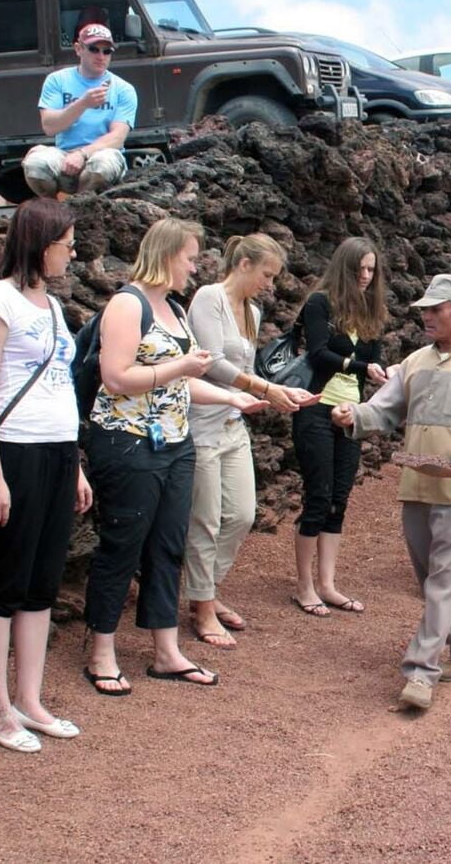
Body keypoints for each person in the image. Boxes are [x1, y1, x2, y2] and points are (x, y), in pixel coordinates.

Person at [81, 218, 269, 695]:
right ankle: (101, 649)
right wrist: (180, 366)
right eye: (188, 257)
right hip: (128, 442)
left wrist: (232, 398)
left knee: (168, 546)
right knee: (123, 545)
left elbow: (181, 383)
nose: (194, 265)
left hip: (175, 443)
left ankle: (166, 651)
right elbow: (116, 378)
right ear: (166, 255)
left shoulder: (177, 310)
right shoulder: (128, 303)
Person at [331, 274, 451, 712]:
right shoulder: (415, 362)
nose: (426, 316)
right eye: (424, 309)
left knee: (442, 579)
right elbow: (384, 410)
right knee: (432, 579)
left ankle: (421, 671)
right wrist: (354, 415)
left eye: (436, 309)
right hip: (417, 482)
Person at [0, 198, 90, 754]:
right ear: (42, 243)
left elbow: (58, 384)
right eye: (67, 242)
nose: (73, 251)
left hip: (58, 450)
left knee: (41, 580)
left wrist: (78, 465)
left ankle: (30, 698)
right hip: (14, 453)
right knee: (5, 579)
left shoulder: (50, 304)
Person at [188, 234, 314, 641]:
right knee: (206, 520)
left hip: (232, 423)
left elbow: (248, 368)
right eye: (265, 274)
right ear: (242, 263)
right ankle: (203, 605)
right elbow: (212, 362)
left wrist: (280, 389)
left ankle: (204, 588)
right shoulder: (209, 297)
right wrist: (263, 391)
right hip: (202, 422)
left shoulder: (253, 312)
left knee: (241, 515)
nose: (269, 284)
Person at [290, 237, 389, 617]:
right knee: (318, 495)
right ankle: (304, 585)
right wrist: (363, 367)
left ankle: (327, 583)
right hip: (316, 406)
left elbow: (374, 358)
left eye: (370, 269)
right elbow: (318, 354)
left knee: (339, 498)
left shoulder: (370, 309)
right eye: (359, 269)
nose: (365, 276)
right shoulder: (320, 303)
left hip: (352, 411)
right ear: (344, 268)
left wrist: (381, 374)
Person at [23, 23, 137, 198]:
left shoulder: (124, 89)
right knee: (35, 164)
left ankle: (81, 207)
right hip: (64, 154)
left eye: (107, 51)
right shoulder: (57, 80)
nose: (101, 56)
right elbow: (49, 127)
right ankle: (52, 211)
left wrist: (82, 154)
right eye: (94, 49)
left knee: (102, 165)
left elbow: (117, 138)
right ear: (78, 49)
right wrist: (82, 103)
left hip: (102, 154)